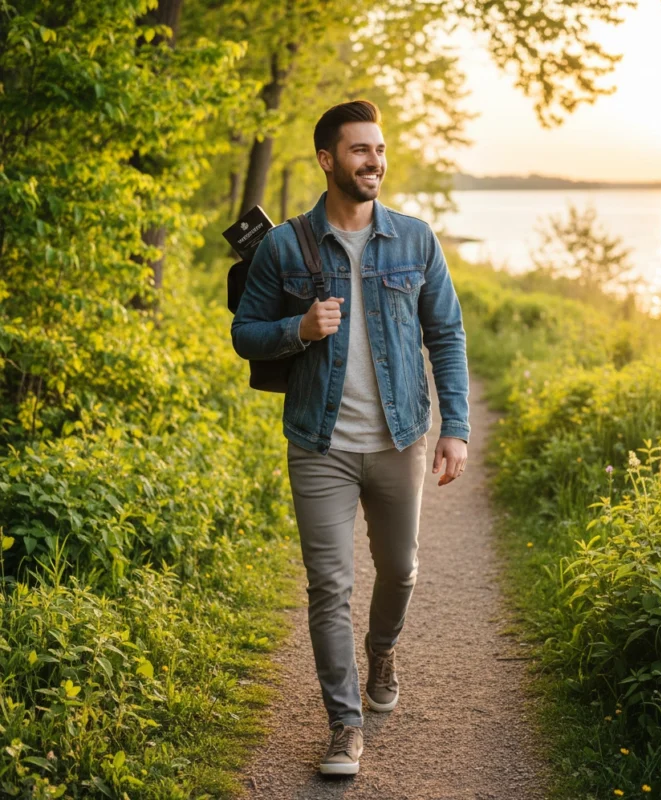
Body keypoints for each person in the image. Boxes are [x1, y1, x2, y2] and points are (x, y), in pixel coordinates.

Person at [231, 99, 470, 776]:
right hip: (319, 443)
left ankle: (383, 650)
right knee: (328, 585)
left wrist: (456, 425)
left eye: (381, 149)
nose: (375, 161)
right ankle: (344, 725)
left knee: (401, 570)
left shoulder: (416, 240)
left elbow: (446, 335)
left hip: (399, 439)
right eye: (361, 150)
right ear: (327, 159)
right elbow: (244, 332)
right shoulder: (285, 247)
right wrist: (296, 330)